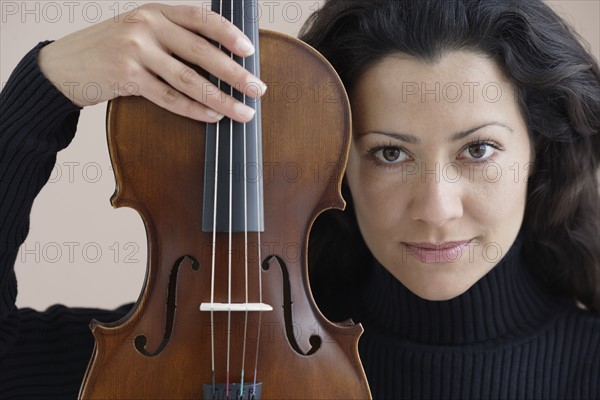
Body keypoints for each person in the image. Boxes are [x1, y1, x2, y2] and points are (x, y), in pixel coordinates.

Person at [1, 0, 599, 398]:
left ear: (540, 150)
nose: (436, 209)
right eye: (390, 153)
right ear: (335, 161)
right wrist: (47, 84)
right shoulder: (218, 350)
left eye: (478, 151)